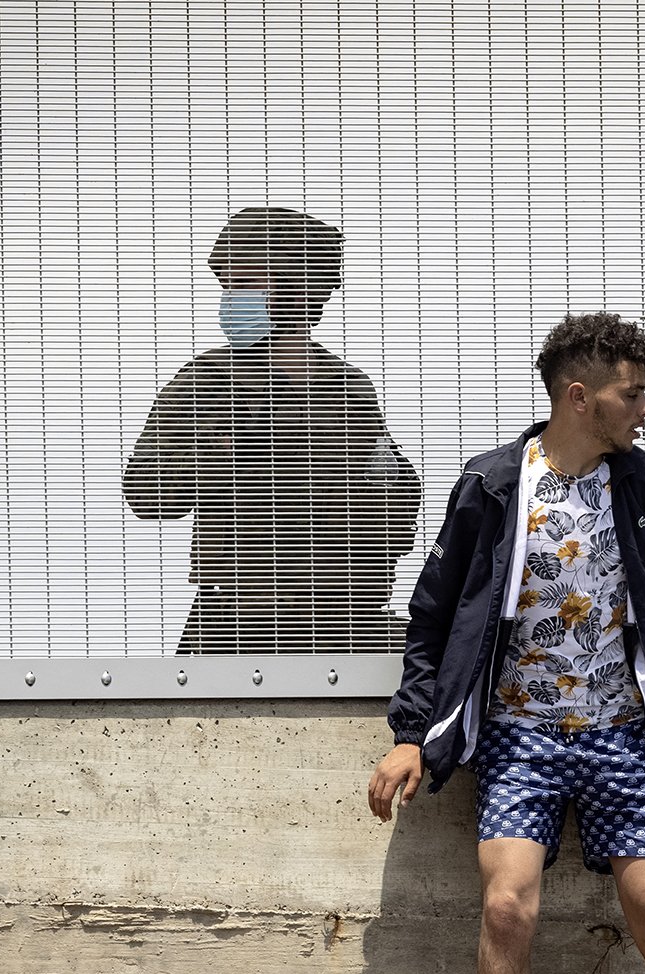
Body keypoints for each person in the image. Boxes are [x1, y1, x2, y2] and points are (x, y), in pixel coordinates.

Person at [366, 313, 645, 974]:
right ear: (579, 397)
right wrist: (410, 735)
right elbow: (432, 617)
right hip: (520, 736)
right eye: (631, 394)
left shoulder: (643, 483)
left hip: (624, 736)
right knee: (507, 907)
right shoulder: (494, 485)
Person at [123, 207, 421, 654]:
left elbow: (398, 503)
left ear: (297, 287)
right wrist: (219, 452)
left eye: (244, 283)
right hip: (240, 624)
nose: (230, 299)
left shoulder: (347, 389)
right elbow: (146, 494)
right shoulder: (208, 381)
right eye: (226, 286)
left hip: (345, 622)